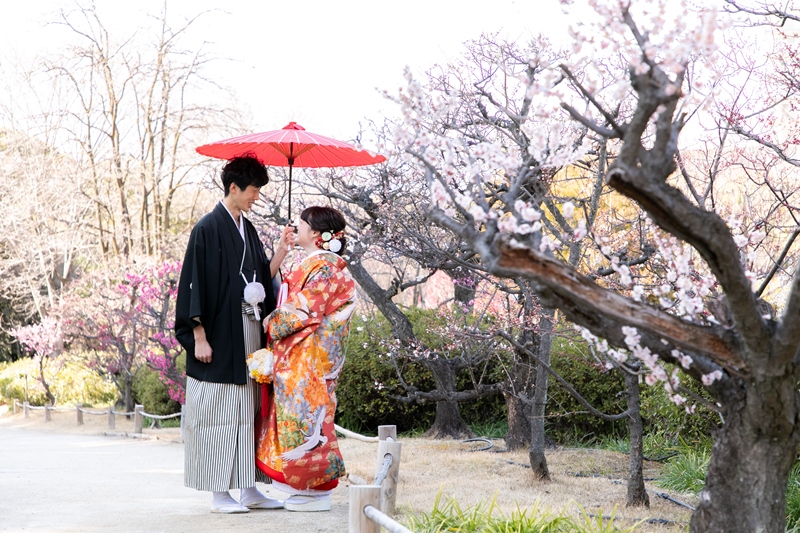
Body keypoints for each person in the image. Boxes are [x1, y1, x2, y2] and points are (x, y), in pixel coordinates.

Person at [175, 155, 295, 514]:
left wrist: (281, 251)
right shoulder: (207, 228)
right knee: (216, 410)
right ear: (234, 187)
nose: (256, 197)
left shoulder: (248, 228)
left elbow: (260, 275)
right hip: (217, 334)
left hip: (247, 327)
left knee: (246, 409)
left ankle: (248, 488)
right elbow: (193, 283)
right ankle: (218, 492)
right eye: (254, 190)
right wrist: (198, 336)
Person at [255, 206, 357, 512]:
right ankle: (301, 486)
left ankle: (314, 489)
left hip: (310, 359)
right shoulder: (316, 264)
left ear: (315, 232)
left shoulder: (324, 268)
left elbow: (304, 310)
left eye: (300, 224)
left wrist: (272, 320)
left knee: (308, 422)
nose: (295, 227)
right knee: (303, 421)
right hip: (305, 357)